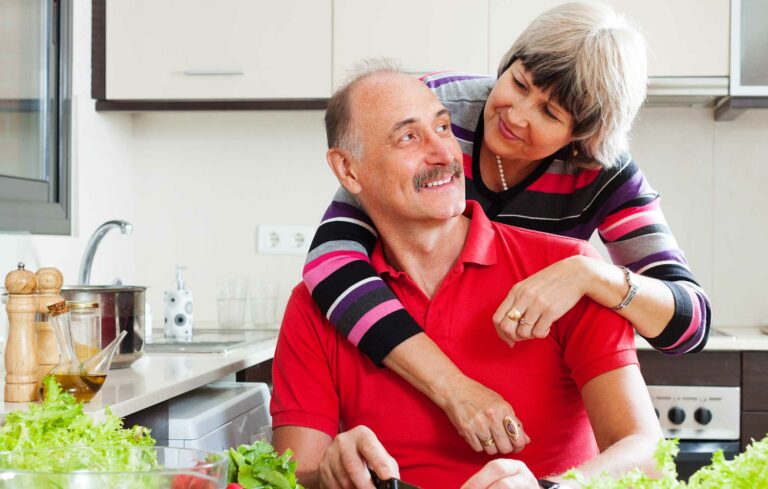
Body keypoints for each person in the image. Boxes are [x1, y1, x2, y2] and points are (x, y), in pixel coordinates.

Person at [303, 1, 710, 452]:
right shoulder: (438, 115)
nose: (516, 115)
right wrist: (454, 389)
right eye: (518, 83)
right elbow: (330, 262)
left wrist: (588, 272)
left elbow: (690, 323)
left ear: (582, 135)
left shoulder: (603, 170)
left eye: (550, 113)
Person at [271, 66, 662, 488]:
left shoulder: (566, 273)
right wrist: (331, 471)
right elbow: (292, 477)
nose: (443, 152)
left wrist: (550, 488)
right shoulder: (316, 305)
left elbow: (646, 453)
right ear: (348, 170)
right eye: (408, 137)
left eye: (442, 126)